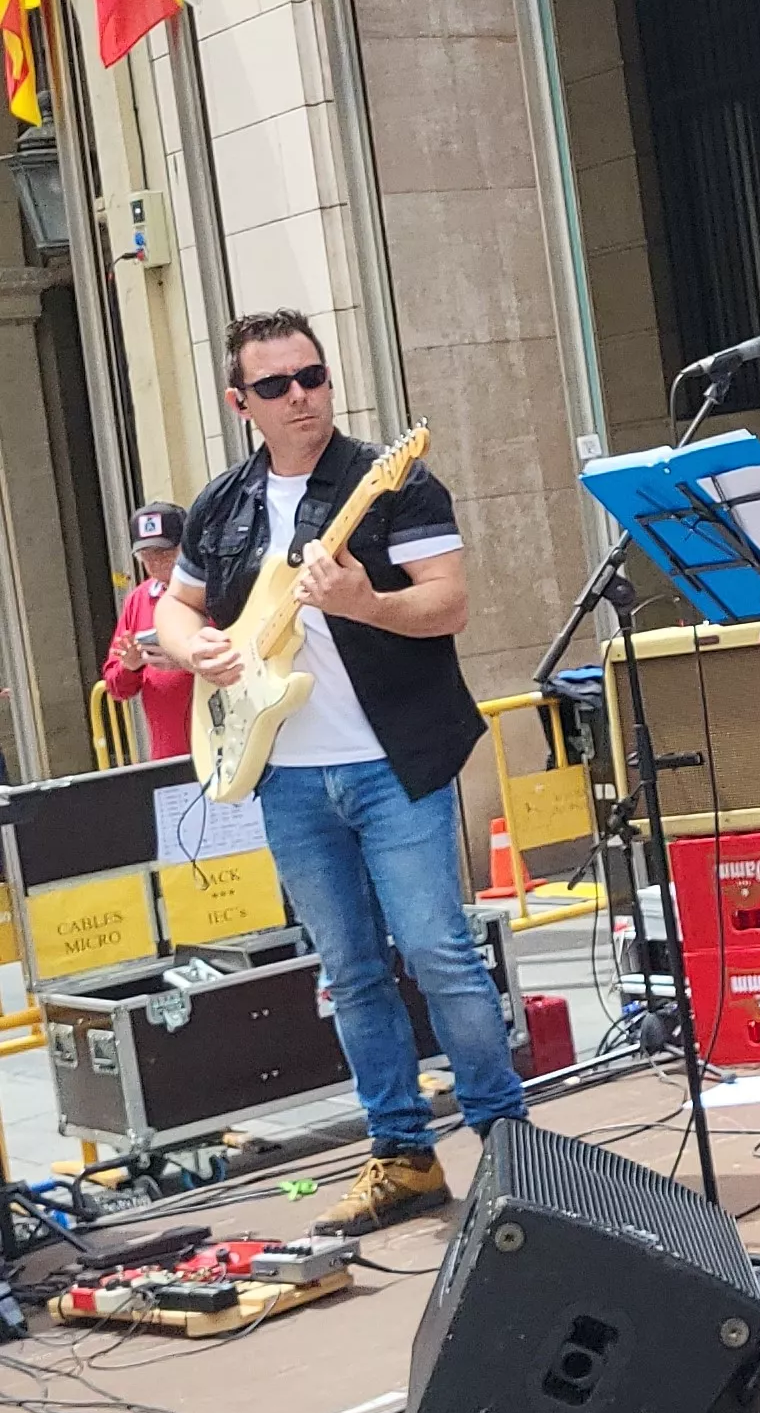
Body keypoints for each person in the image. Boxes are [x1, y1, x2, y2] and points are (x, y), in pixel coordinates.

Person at [157, 314, 527, 1236]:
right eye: (276, 385)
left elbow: (449, 604)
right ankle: (400, 1153)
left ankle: (513, 1148)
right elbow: (176, 602)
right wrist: (193, 645)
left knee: (440, 951)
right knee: (352, 971)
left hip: (391, 763)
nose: (302, 397)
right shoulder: (225, 503)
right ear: (241, 402)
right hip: (287, 772)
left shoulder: (393, 482)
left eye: (312, 376)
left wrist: (364, 600)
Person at [103, 502, 195, 761]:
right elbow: (115, 686)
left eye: (163, 553)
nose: (155, 563)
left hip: (224, 742)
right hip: (168, 752)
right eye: (146, 556)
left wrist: (186, 661)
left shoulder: (214, 590)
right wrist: (129, 666)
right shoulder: (138, 600)